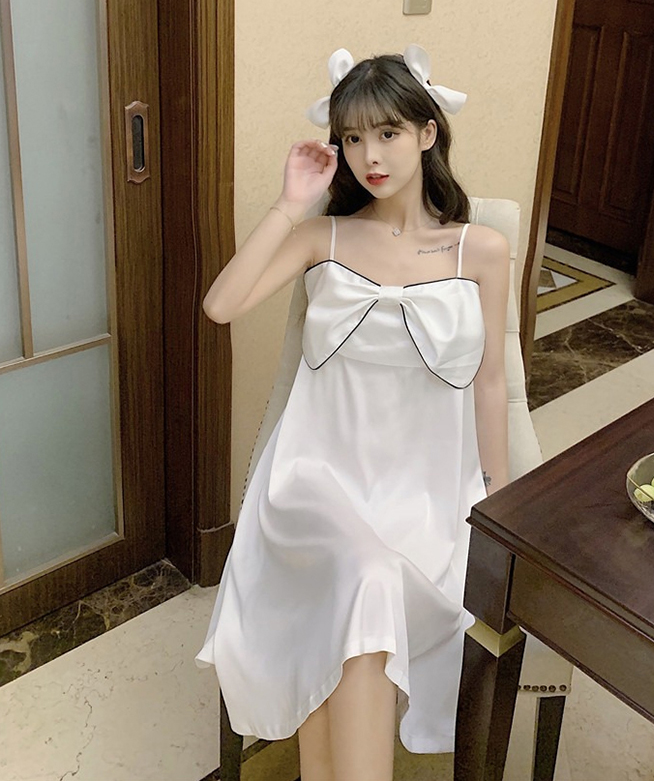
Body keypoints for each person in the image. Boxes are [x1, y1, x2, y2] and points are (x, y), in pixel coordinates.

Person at [196, 45, 510, 781]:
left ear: (428, 133)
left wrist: (500, 502)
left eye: (389, 133)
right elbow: (221, 306)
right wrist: (290, 204)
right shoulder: (322, 237)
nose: (370, 155)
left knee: (359, 603)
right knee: (367, 577)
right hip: (314, 481)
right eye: (353, 137)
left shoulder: (482, 250)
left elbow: (491, 382)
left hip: (424, 492)